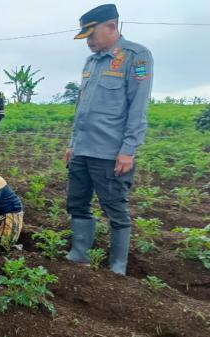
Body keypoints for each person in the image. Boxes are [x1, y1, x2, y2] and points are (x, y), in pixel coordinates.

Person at [65, 4, 153, 275]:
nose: (88, 42)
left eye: (92, 35)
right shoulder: (91, 62)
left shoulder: (136, 57)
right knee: (77, 204)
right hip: (82, 150)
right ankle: (79, 256)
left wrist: (128, 150)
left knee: (115, 209)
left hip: (109, 153)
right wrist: (72, 144)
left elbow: (137, 108)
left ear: (112, 27)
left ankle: (117, 269)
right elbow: (82, 108)